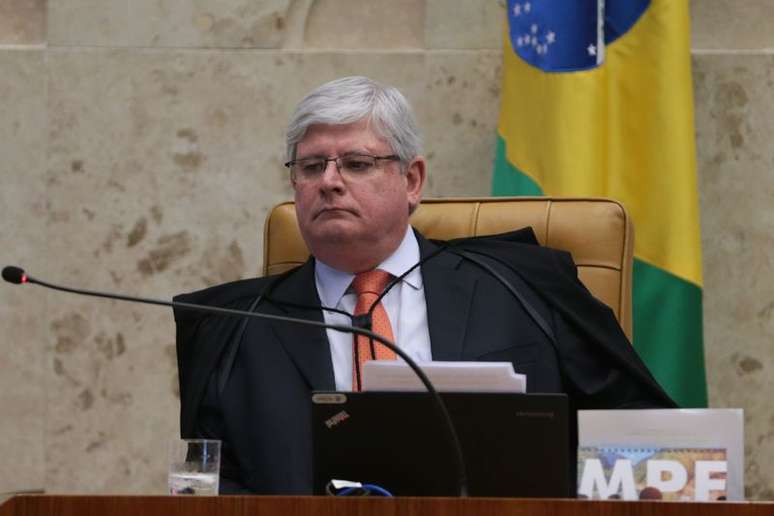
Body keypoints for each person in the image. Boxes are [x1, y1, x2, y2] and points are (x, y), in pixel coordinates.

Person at [173, 76, 676, 495]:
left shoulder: (523, 288)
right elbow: (209, 486)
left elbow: (643, 435)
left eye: (356, 163)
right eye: (311, 166)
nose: (329, 181)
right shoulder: (233, 329)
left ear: (412, 180)